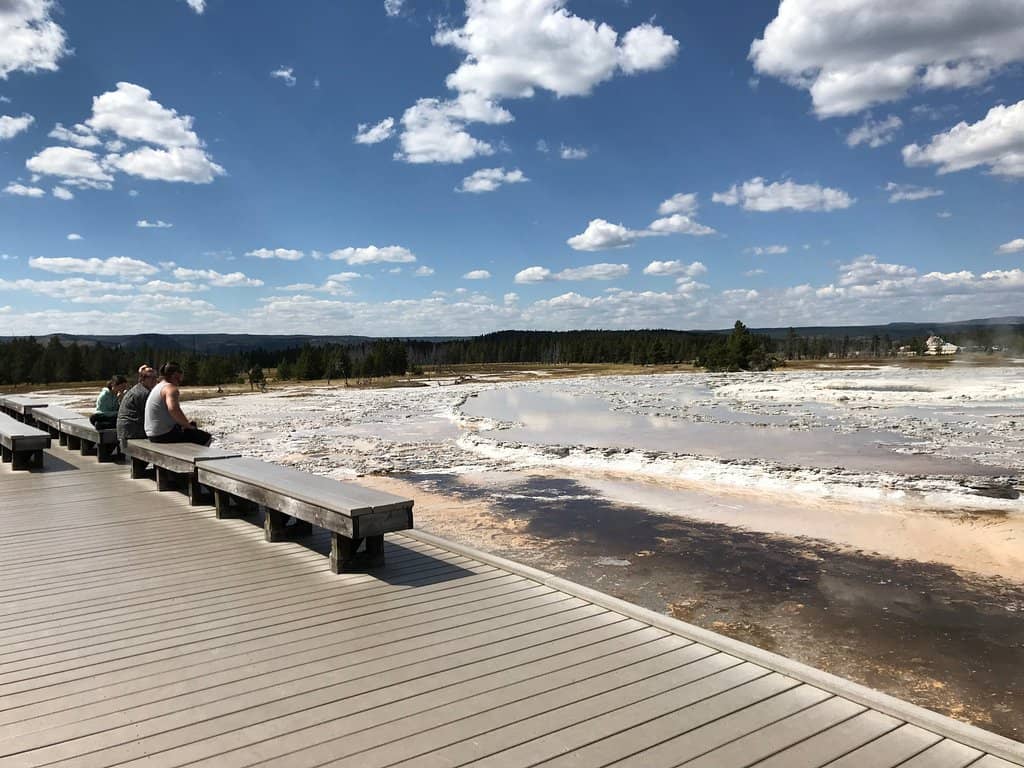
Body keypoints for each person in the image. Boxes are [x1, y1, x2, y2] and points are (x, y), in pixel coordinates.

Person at [144, 362, 212, 446]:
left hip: (152, 434)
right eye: (181, 372)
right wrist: (188, 426)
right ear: (175, 374)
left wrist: (186, 424)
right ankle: (191, 457)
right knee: (205, 437)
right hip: (163, 435)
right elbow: (173, 409)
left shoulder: (159, 386)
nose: (182, 375)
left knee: (191, 427)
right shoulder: (170, 389)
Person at [117, 364, 157, 452]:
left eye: (155, 377)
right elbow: (150, 416)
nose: (154, 380)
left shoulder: (139, 389)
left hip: (127, 429)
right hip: (132, 431)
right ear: (142, 379)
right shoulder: (143, 393)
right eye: (151, 377)